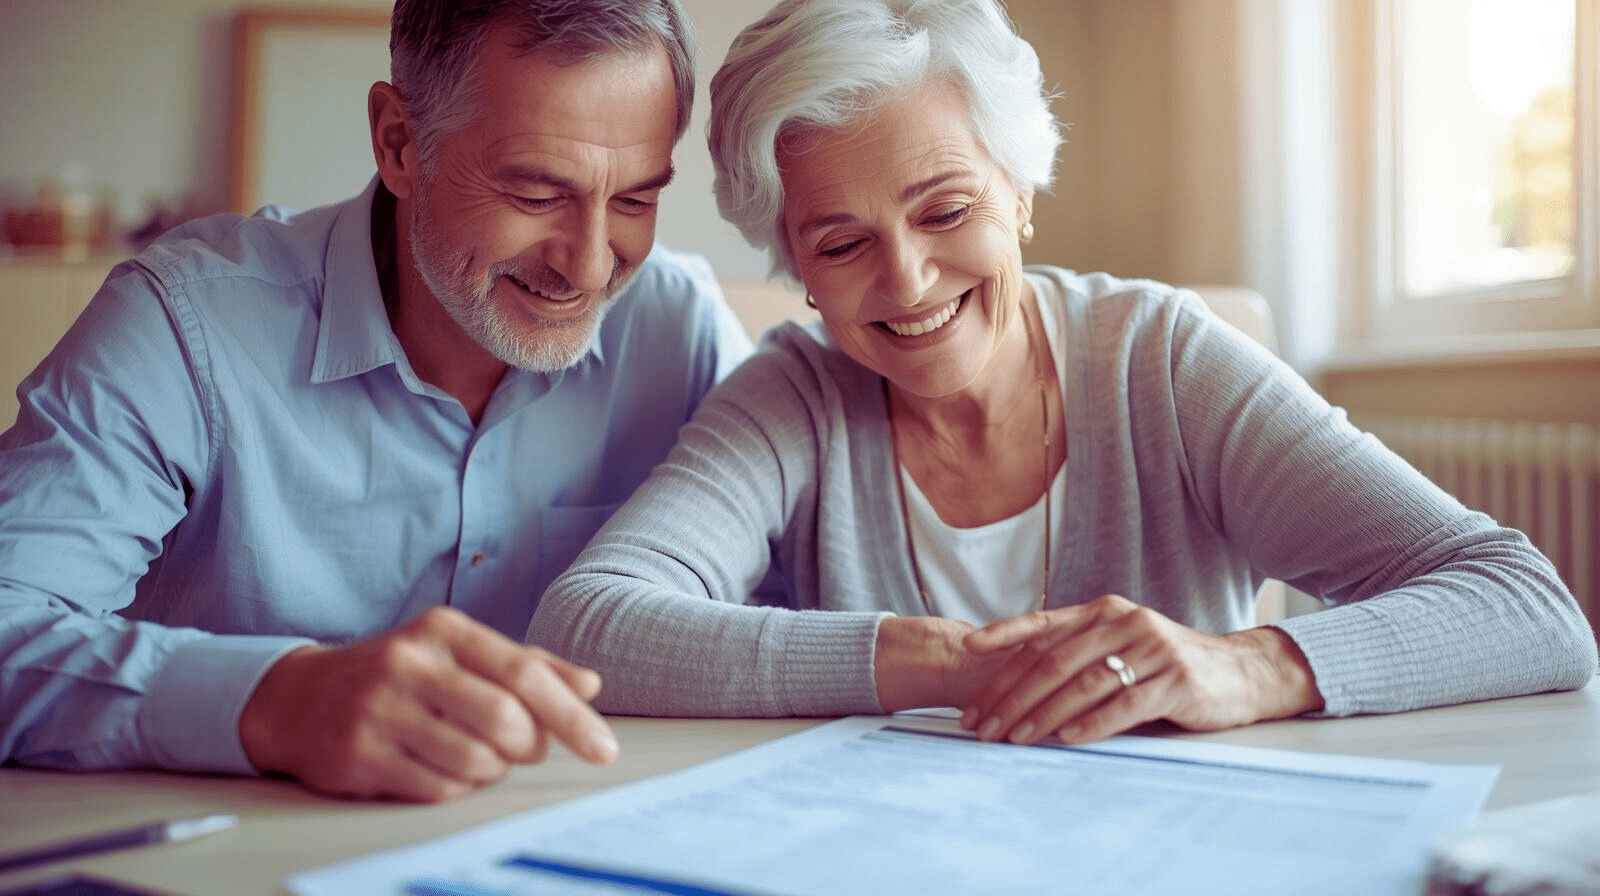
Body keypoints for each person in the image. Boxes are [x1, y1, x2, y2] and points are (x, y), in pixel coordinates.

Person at [530, 0, 1596, 745]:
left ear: (1020, 192)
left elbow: (1526, 605)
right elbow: (589, 624)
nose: (907, 280)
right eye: (841, 243)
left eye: (946, 210)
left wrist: (1244, 663)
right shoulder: (793, 394)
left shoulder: (1161, 359)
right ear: (796, 267)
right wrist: (950, 660)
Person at [0, 0, 752, 802]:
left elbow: (795, 598)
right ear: (399, 143)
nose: (591, 267)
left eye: (635, 200)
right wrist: (275, 699)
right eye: (536, 195)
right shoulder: (184, 325)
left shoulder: (679, 329)